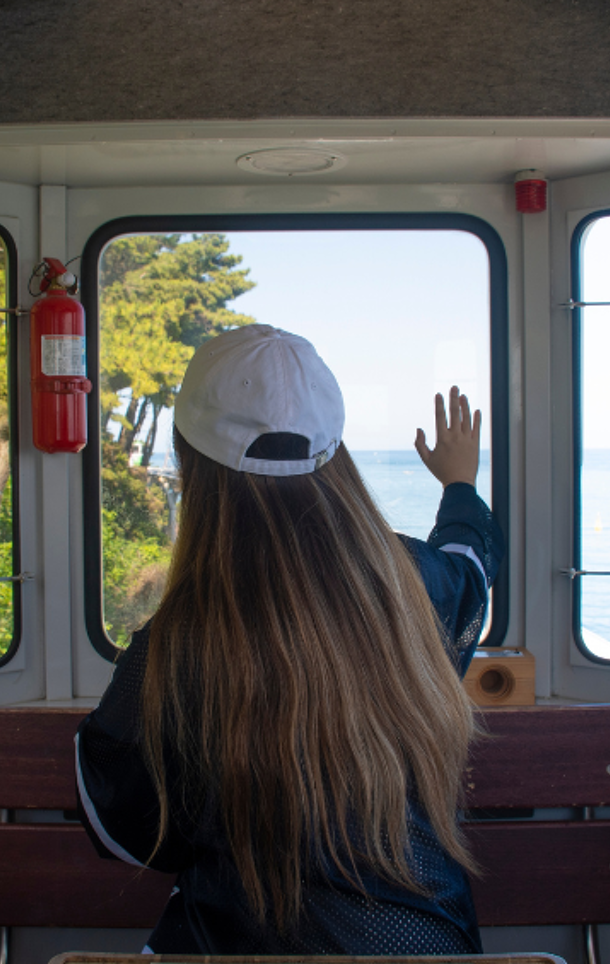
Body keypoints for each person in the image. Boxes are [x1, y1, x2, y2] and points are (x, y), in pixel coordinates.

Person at [74, 325, 500, 955]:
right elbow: (470, 564)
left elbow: (124, 831)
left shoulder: (174, 648)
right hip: (426, 944)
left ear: (189, 461)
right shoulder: (413, 590)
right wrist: (459, 485)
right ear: (336, 450)